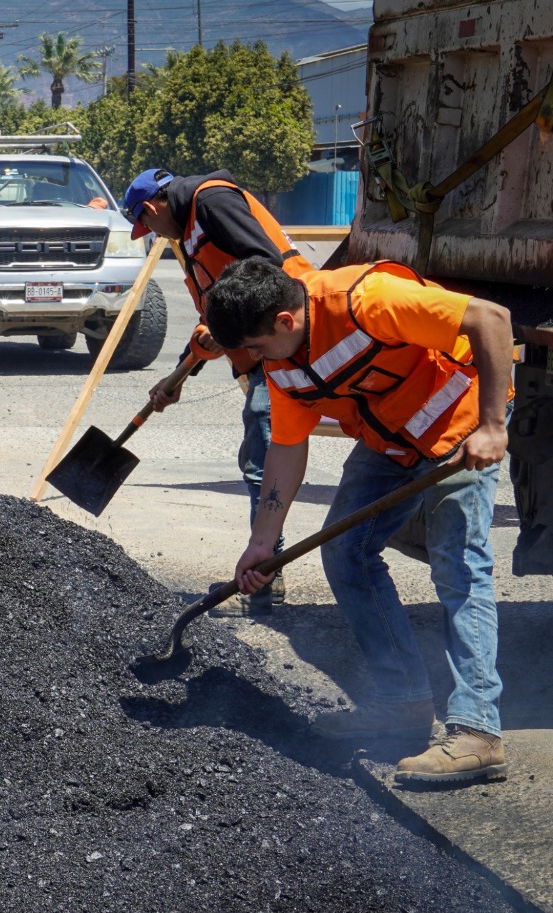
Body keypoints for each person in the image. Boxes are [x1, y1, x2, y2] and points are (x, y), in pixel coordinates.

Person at [205, 257, 513, 784]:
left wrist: (491, 426)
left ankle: (478, 731)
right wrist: (262, 541)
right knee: (346, 551)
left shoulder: (366, 300)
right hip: (392, 443)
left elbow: (492, 318)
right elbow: (286, 445)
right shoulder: (281, 363)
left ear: (285, 321)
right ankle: (403, 703)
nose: (253, 360)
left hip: (459, 424)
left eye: (255, 346)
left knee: (458, 564)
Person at [122, 167, 316, 611]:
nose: (150, 233)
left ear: (152, 209)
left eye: (145, 225)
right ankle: (265, 569)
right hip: (260, 348)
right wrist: (178, 378)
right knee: (258, 454)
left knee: (263, 455)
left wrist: (224, 329)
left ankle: (264, 575)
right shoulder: (190, 235)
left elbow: (266, 267)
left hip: (285, 340)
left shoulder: (212, 203)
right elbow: (213, 316)